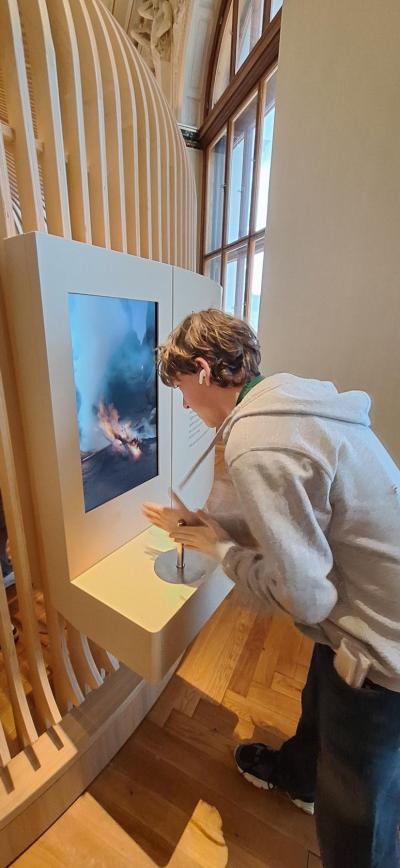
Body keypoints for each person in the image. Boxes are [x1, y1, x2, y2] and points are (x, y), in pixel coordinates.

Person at [143, 309, 400, 868]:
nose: (183, 404)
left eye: (181, 389)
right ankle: (299, 777)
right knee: (320, 697)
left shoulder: (255, 442)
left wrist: (220, 550)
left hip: (383, 647)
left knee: (359, 816)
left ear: (203, 370)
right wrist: (209, 526)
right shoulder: (288, 401)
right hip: (359, 615)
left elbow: (307, 598)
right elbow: (291, 516)